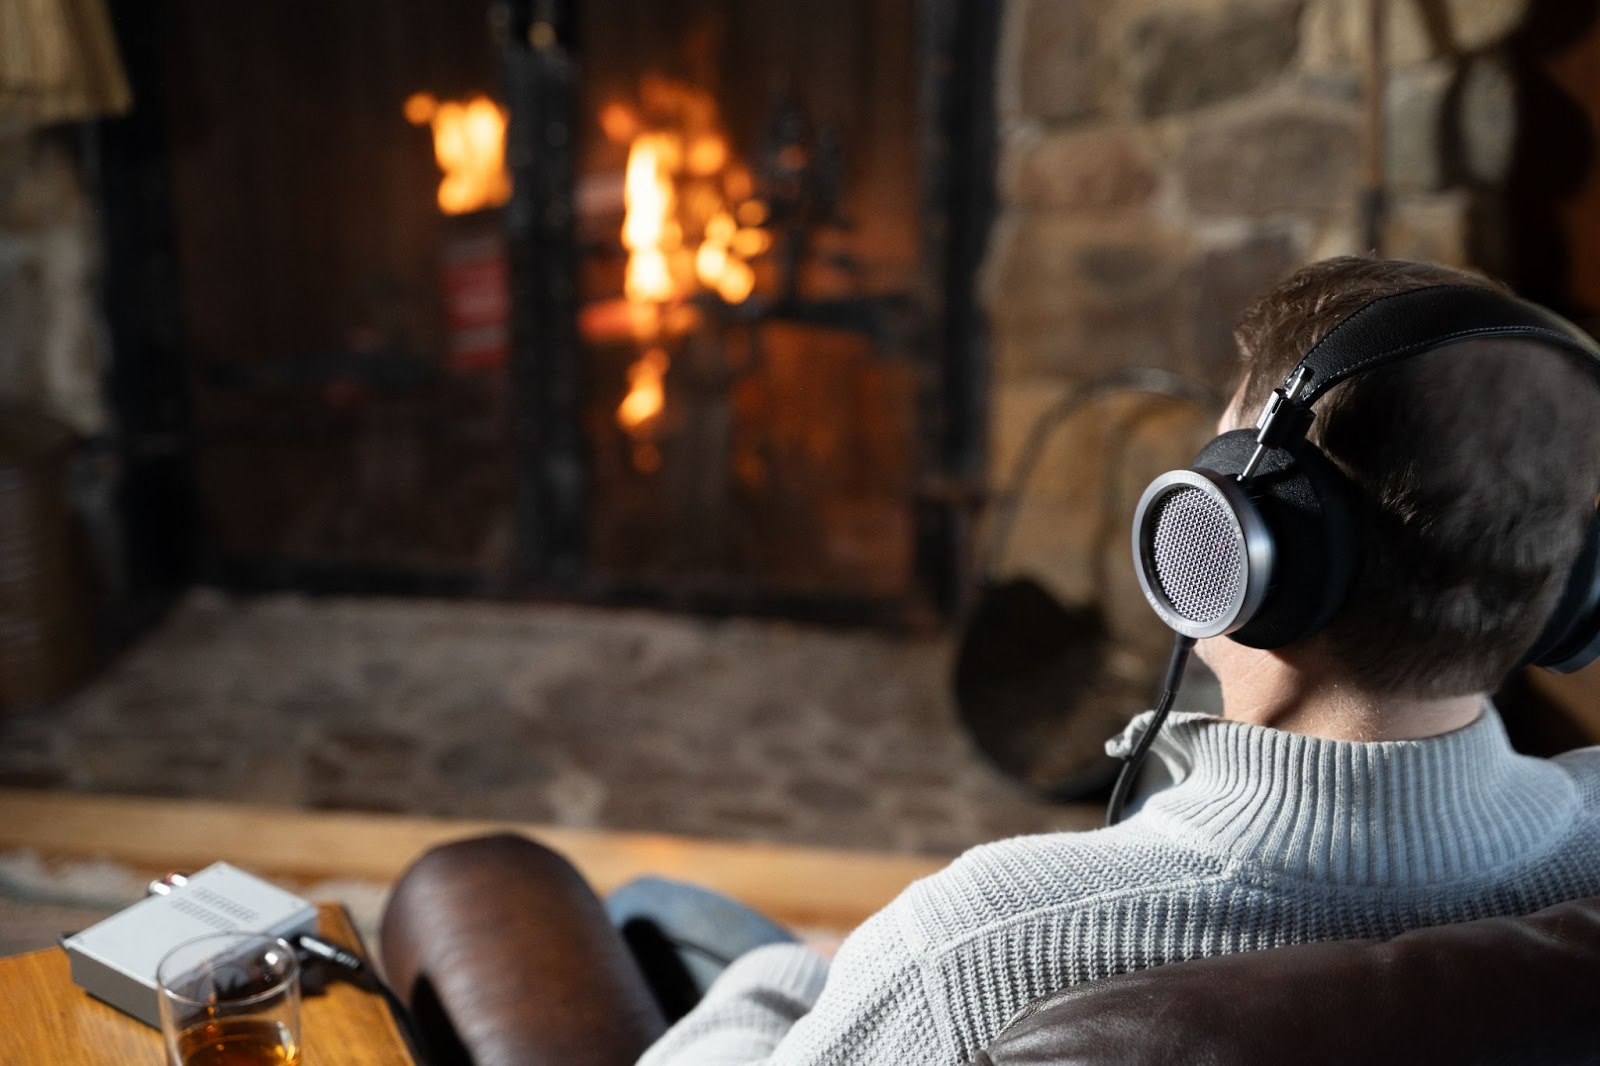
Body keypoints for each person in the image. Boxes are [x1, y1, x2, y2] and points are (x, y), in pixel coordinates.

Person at [633, 257, 1600, 1065]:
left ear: (1228, 549)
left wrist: (792, 985)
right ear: (1566, 588)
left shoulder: (977, 946)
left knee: (654, 912)